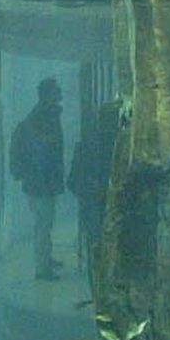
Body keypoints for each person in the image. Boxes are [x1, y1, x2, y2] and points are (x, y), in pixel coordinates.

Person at [9, 77, 65, 280]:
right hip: (41, 181)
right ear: (47, 95)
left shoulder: (43, 117)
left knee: (45, 222)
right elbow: (45, 150)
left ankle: (46, 259)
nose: (60, 96)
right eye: (56, 92)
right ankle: (42, 268)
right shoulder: (42, 119)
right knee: (43, 223)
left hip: (40, 181)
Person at [67, 99, 119, 279]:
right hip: (101, 208)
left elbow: (73, 182)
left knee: (98, 251)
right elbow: (74, 181)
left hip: (99, 208)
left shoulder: (87, 146)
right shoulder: (119, 146)